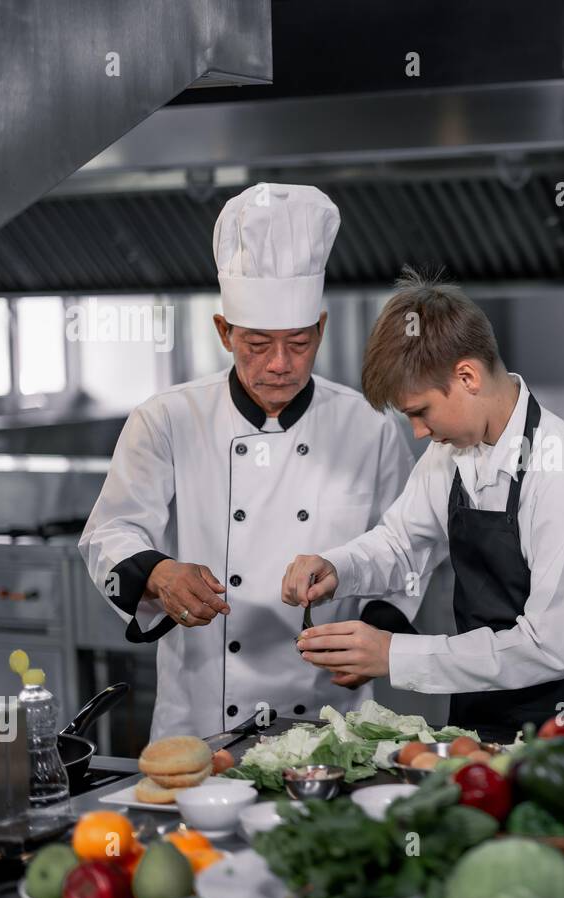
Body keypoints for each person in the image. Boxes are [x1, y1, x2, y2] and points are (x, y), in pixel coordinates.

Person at [79, 184, 423, 739]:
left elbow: (409, 547)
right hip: (200, 720)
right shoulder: (167, 418)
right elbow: (109, 533)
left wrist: (374, 636)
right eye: (258, 344)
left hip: (327, 718)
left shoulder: (370, 427)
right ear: (224, 331)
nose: (281, 365)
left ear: (322, 330)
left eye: (299, 343)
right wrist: (160, 573)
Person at [282, 268, 564, 743]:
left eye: (420, 412)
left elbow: (550, 647)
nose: (419, 433)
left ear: (466, 376)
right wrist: (337, 568)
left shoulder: (561, 468)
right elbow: (402, 542)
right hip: (476, 711)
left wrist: (393, 655)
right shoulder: (452, 452)